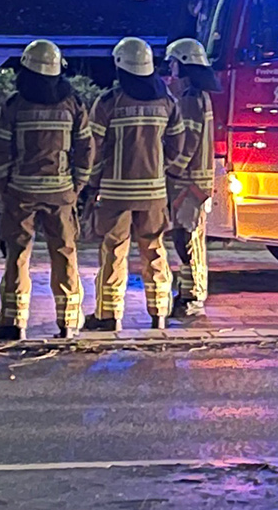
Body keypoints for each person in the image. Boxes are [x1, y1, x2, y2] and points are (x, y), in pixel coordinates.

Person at [0, 39, 95, 341]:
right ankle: (68, 322)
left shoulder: (15, 105)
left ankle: (12, 322)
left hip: (21, 192)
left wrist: (5, 188)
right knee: (64, 252)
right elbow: (86, 148)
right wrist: (77, 186)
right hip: (61, 192)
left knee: (17, 255)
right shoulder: (73, 104)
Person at [88, 37, 175, 331]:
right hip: (154, 194)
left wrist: (93, 182)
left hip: (116, 194)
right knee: (154, 249)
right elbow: (178, 145)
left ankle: (108, 315)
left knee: (114, 251)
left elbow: (93, 148)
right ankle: (159, 313)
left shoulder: (108, 102)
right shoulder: (167, 102)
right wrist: (162, 172)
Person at [163, 37, 217, 321]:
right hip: (195, 180)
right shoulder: (196, 96)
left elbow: (188, 142)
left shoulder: (190, 99)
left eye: (173, 63)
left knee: (189, 240)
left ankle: (193, 298)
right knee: (185, 238)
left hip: (190, 181)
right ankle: (186, 294)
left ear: (184, 65)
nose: (170, 69)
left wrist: (172, 169)